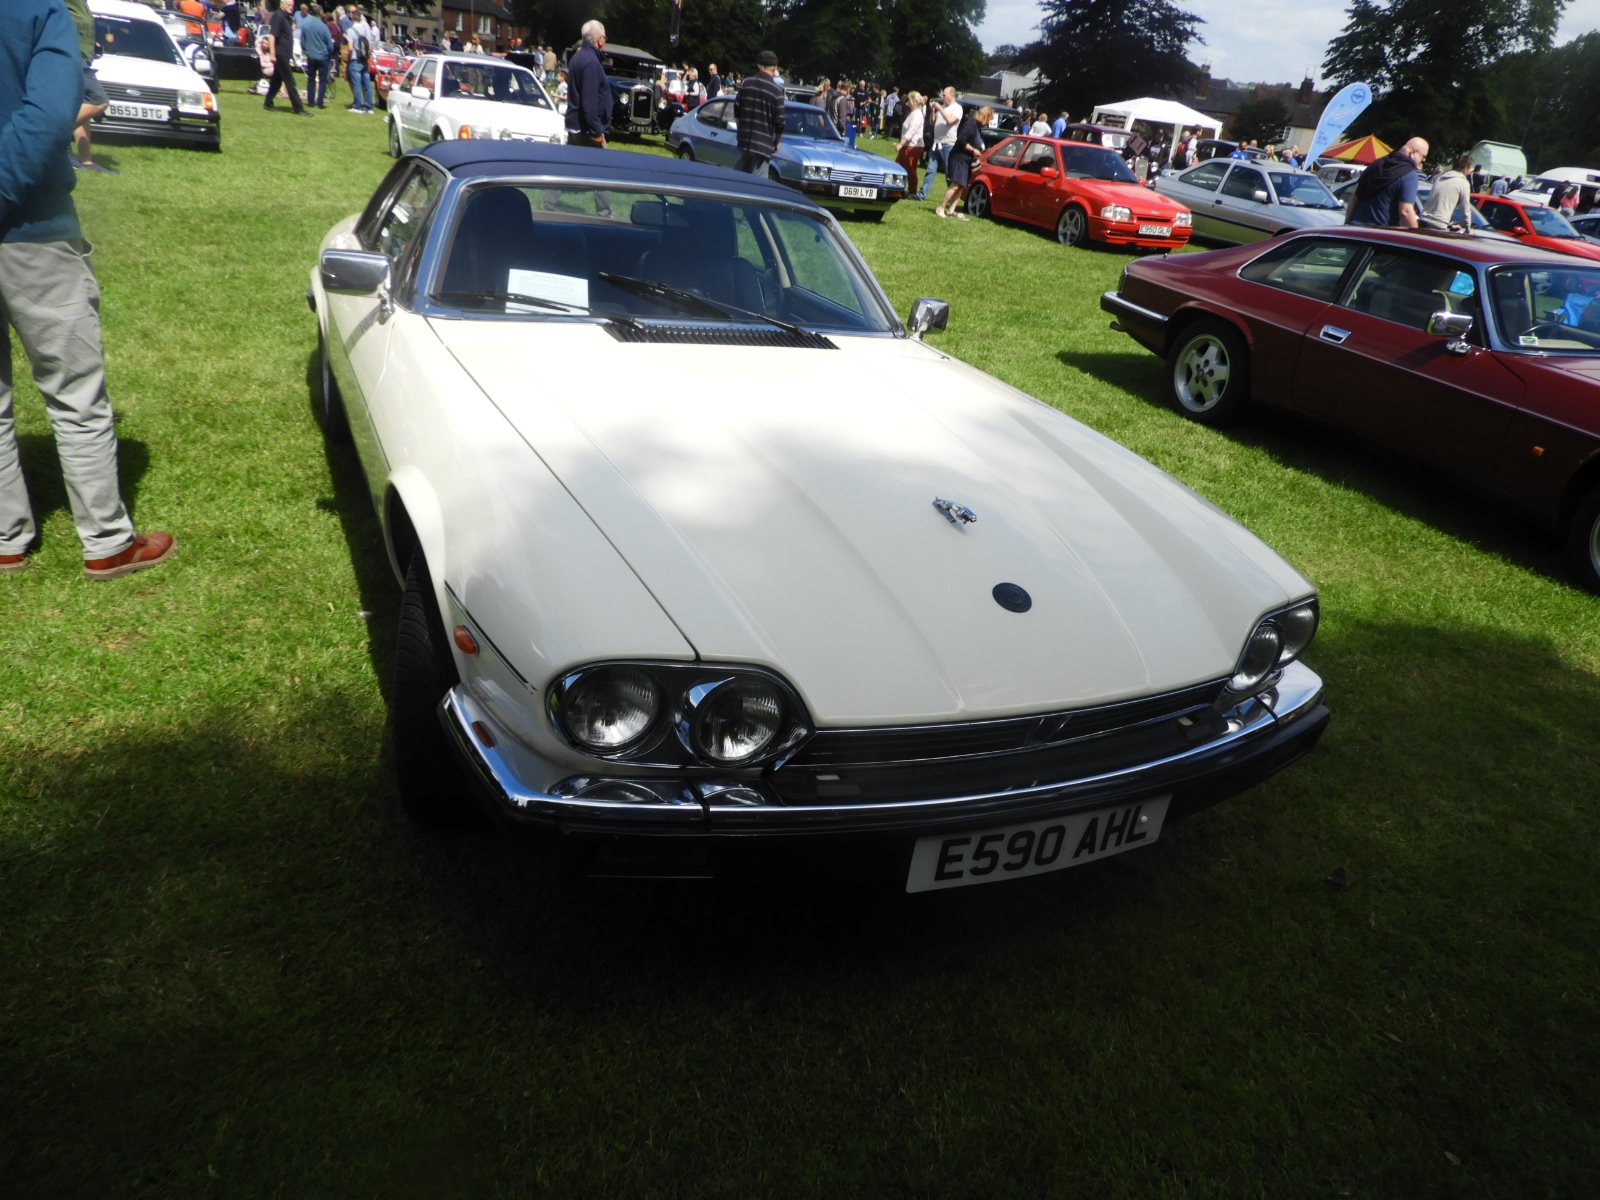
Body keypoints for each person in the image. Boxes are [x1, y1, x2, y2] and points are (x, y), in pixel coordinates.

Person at [0, 0, 175, 579]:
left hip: (30, 222)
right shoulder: (38, 8)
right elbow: (51, 114)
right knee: (75, 388)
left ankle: (7, 538)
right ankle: (105, 541)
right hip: (32, 229)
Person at [62, 0, 116, 174]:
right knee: (98, 101)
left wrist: (92, 46)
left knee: (82, 109)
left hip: (84, 57)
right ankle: (55, 135)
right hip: (71, 55)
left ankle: (86, 161)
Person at [1347, 137, 1428, 228]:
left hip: (1354, 231)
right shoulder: (1409, 175)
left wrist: (1347, 223)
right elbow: (1405, 212)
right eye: (1423, 157)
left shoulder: (1375, 164)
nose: (1423, 161)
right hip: (1379, 235)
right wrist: (1415, 237)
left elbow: (1354, 195)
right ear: (1413, 152)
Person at [733, 50, 784, 175]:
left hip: (744, 142)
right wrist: (776, 142)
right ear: (775, 67)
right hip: (763, 145)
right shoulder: (777, 91)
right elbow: (780, 121)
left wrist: (741, 132)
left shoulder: (746, 84)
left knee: (738, 182)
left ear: (759, 66)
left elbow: (737, 111)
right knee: (758, 188)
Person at [936, 104, 988, 219]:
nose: (988, 123)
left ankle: (951, 210)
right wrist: (973, 150)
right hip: (958, 158)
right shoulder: (971, 124)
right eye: (988, 120)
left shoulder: (977, 127)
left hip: (966, 160)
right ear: (984, 117)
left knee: (962, 186)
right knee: (955, 185)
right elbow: (961, 140)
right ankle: (941, 207)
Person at [565, 19, 611, 148]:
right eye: (605, 38)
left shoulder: (577, 57)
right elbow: (589, 101)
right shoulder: (591, 62)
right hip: (586, 131)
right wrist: (597, 131)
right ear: (600, 39)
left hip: (575, 126)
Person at [916, 87, 961, 202]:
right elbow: (932, 122)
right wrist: (933, 111)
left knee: (948, 173)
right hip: (937, 143)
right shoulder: (944, 108)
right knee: (930, 170)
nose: (942, 97)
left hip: (948, 144)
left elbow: (950, 121)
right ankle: (921, 194)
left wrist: (940, 108)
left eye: (944, 95)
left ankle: (951, 199)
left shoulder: (957, 108)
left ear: (952, 95)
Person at [262, 0, 306, 114]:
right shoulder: (278, 16)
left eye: (292, 5)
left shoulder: (287, 18)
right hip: (280, 54)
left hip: (286, 54)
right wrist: (272, 54)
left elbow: (287, 38)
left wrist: (293, 57)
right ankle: (298, 108)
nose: (291, 7)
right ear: (282, 4)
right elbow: (272, 36)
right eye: (289, 5)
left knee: (276, 81)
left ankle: (268, 103)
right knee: (290, 82)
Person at [1420, 151, 1473, 231]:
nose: (1469, 173)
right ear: (1465, 169)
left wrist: (1450, 224)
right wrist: (1468, 229)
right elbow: (1465, 209)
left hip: (1423, 221)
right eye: (1469, 170)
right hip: (1438, 225)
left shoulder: (1440, 178)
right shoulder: (1463, 183)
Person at [299, 2, 335, 108]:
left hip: (311, 56)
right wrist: (329, 53)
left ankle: (310, 102)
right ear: (321, 13)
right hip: (323, 56)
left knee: (311, 79)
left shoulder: (306, 25)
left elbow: (302, 42)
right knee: (322, 80)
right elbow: (330, 44)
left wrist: (307, 51)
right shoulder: (324, 27)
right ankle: (320, 103)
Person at [894, 90, 925, 197]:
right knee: (898, 166)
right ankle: (896, 189)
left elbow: (911, 131)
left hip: (913, 146)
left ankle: (912, 191)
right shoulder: (913, 113)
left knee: (909, 169)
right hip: (908, 145)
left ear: (912, 101)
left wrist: (901, 143)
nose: (907, 101)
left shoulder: (917, 115)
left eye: (908, 99)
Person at [344, 7, 375, 112]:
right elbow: (369, 46)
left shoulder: (350, 30)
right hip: (364, 60)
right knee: (367, 85)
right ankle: (369, 107)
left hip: (355, 59)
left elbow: (350, 48)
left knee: (356, 84)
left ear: (352, 18)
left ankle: (358, 106)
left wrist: (348, 58)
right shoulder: (365, 30)